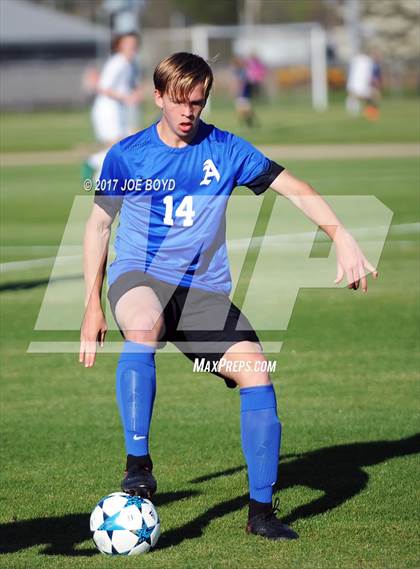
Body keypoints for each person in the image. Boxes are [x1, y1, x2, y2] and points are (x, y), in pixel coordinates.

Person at [79, 52, 378, 541]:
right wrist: (92, 304)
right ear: (157, 97)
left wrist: (341, 235)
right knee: (143, 324)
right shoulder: (127, 155)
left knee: (256, 370)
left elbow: (294, 188)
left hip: (202, 292)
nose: (188, 112)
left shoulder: (226, 148)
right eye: (178, 101)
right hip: (139, 276)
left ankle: (261, 513)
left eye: (197, 102)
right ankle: (138, 466)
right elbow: (98, 225)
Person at [82, 32, 143, 181]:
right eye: (127, 43)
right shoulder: (118, 62)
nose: (131, 46)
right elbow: (103, 87)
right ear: (119, 46)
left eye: (133, 43)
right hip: (107, 109)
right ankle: (93, 163)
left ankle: (97, 171)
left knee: (125, 145)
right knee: (118, 147)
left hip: (118, 109)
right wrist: (127, 97)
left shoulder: (128, 63)